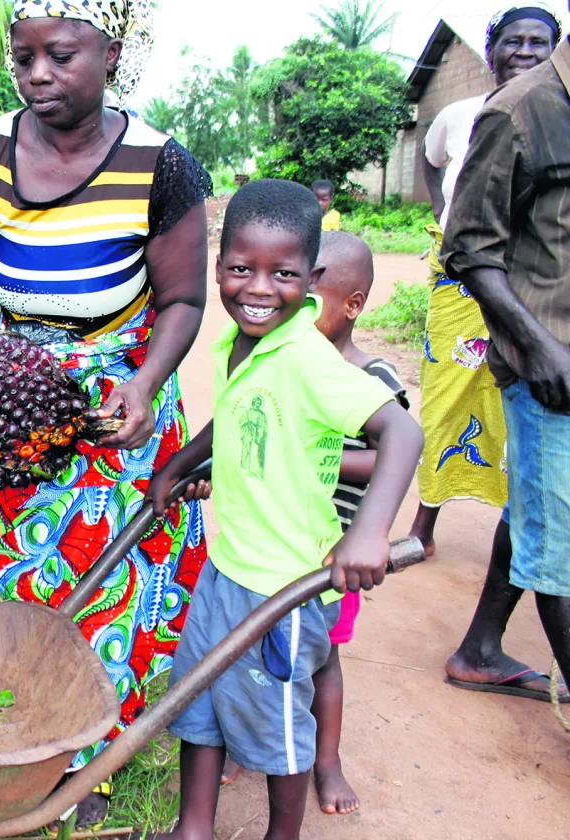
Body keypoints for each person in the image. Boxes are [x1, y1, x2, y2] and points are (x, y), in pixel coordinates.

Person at [0, 0, 211, 822]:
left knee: (108, 581)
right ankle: (15, 735)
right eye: (23, 58)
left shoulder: (161, 165)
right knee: (8, 572)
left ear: (111, 52)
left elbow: (184, 300)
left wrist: (144, 384)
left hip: (115, 402)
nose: (38, 75)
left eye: (60, 55)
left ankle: (82, 758)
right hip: (7, 400)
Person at [146, 180, 421, 840]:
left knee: (276, 725)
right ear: (218, 267)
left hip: (285, 587)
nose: (260, 289)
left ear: (312, 277)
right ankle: (194, 827)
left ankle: (282, 835)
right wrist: (178, 468)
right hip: (227, 567)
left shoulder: (305, 358)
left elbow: (402, 432)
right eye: (242, 269)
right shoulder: (237, 343)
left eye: (284, 274)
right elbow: (232, 414)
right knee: (200, 696)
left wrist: (370, 532)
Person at [441, 20, 570, 707]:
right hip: (552, 370)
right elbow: (467, 246)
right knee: (558, 548)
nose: (522, 51)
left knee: (539, 511)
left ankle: (480, 649)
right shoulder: (519, 111)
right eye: (510, 41)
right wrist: (539, 347)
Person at [409, 3, 561, 557]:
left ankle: (520, 530)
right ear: (491, 50)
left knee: (519, 399)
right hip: (459, 280)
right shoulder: (460, 114)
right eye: (513, 41)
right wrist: (442, 211)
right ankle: (423, 524)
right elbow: (430, 159)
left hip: (529, 284)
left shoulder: (559, 115)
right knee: (444, 396)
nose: (525, 52)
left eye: (539, 42)